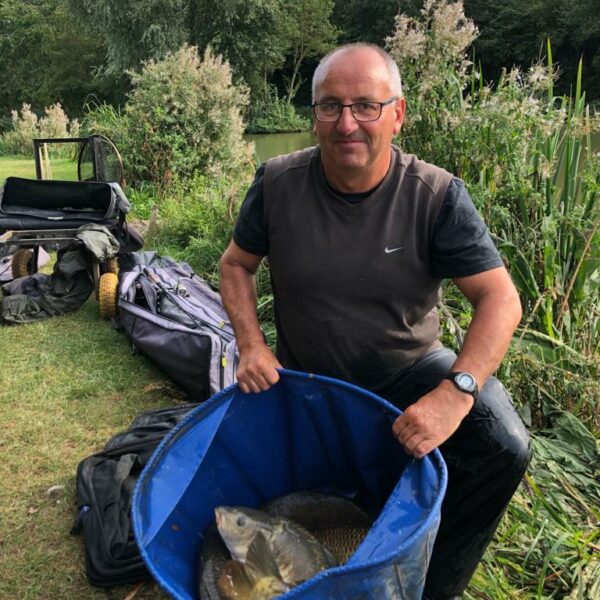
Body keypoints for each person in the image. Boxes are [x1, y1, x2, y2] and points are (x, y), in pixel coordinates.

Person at [219, 43, 531, 599]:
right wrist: (251, 344)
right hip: (307, 376)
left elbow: (501, 301)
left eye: (366, 105)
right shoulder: (276, 183)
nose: (347, 124)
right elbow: (236, 265)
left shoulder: (436, 195)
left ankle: (428, 585)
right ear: (312, 114)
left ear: (397, 113)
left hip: (407, 367)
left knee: (504, 444)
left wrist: (456, 393)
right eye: (329, 106)